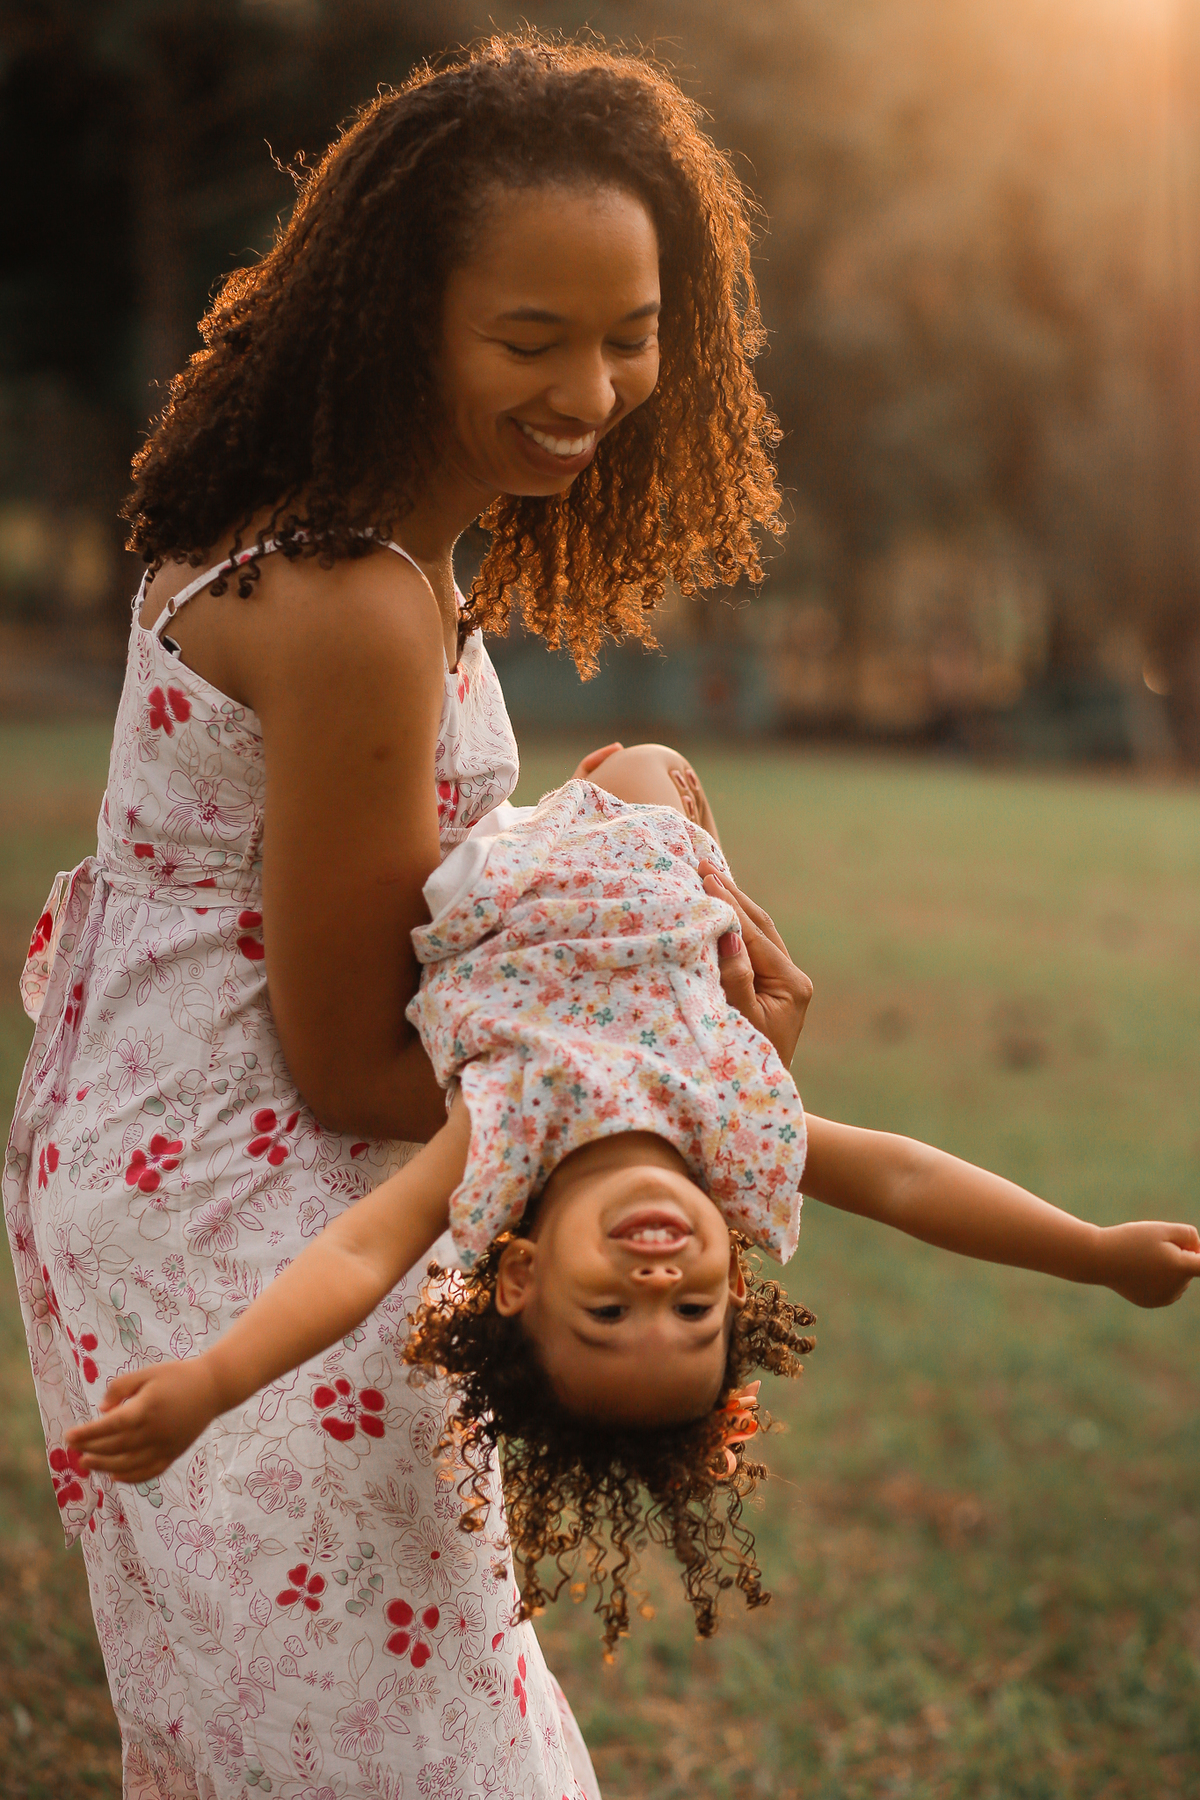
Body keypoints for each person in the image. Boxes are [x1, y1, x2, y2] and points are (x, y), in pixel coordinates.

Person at [3, 36, 785, 1800]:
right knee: (385, 1745)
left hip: (201, 1155)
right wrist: (652, 1067)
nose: (592, 388)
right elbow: (354, 1060)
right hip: (235, 1195)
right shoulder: (354, 595)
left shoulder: (374, 544)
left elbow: (424, 891)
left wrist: (635, 810)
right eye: (531, 338)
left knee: (336, 1723)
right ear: (399, 320)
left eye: (632, 332)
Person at [66, 747, 1200, 1658]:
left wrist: (217, 1380)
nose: (658, 1286)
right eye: (694, 1314)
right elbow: (903, 1179)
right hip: (639, 827)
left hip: (485, 863)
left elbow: (363, 1252)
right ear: (730, 1279)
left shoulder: (506, 1134)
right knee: (653, 763)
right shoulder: (733, 1127)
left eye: (610, 1315)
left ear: (520, 1276)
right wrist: (1093, 1251)